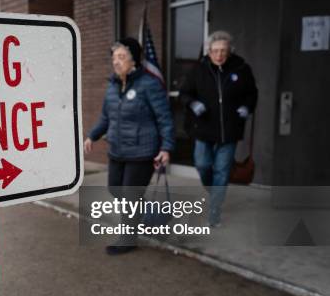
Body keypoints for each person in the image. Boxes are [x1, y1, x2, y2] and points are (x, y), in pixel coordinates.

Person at [84, 37, 174, 254]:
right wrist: (92, 136)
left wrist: (166, 147)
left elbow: (165, 118)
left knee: (130, 196)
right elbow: (106, 117)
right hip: (117, 149)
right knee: (115, 189)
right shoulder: (113, 86)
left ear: (134, 61)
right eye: (114, 57)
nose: (116, 62)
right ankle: (141, 210)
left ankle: (127, 239)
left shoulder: (149, 85)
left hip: (142, 151)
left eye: (121, 57)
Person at [179, 31, 258, 227]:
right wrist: (193, 103)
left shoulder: (241, 69)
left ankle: (214, 211)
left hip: (229, 129)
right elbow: (184, 93)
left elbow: (252, 93)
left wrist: (247, 107)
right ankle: (214, 190)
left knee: (222, 171)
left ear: (230, 51)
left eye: (223, 50)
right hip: (204, 127)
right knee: (203, 165)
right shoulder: (198, 69)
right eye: (215, 51)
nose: (219, 55)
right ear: (209, 51)